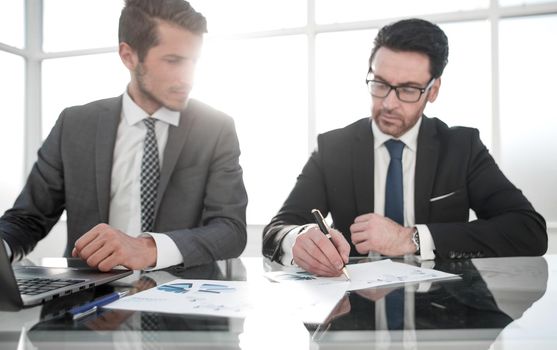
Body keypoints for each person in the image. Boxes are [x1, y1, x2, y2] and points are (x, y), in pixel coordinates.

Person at [262, 18, 547, 277]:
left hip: (442, 316)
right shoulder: (333, 148)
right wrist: (299, 238)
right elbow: (278, 229)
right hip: (354, 315)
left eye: (408, 90)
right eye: (379, 84)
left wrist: (410, 238)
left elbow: (528, 231)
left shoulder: (462, 147)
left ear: (433, 90)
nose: (388, 103)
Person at [0, 0, 247, 271]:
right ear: (128, 56)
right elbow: (27, 219)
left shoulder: (215, 127)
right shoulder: (75, 124)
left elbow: (230, 230)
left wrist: (148, 248)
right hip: (87, 298)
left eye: (194, 61)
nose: (188, 77)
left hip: (185, 298)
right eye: (173, 61)